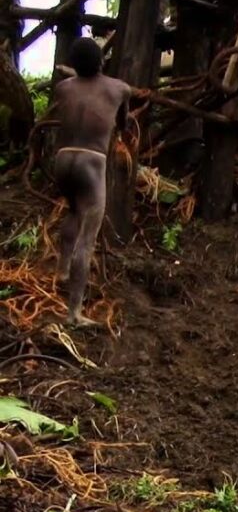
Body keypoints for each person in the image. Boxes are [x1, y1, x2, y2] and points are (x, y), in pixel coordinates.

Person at [47, 38, 131, 327]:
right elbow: (124, 123)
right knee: (87, 237)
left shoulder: (63, 88)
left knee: (73, 209)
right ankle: (74, 314)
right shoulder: (120, 88)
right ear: (101, 62)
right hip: (92, 161)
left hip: (62, 160)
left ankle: (61, 269)